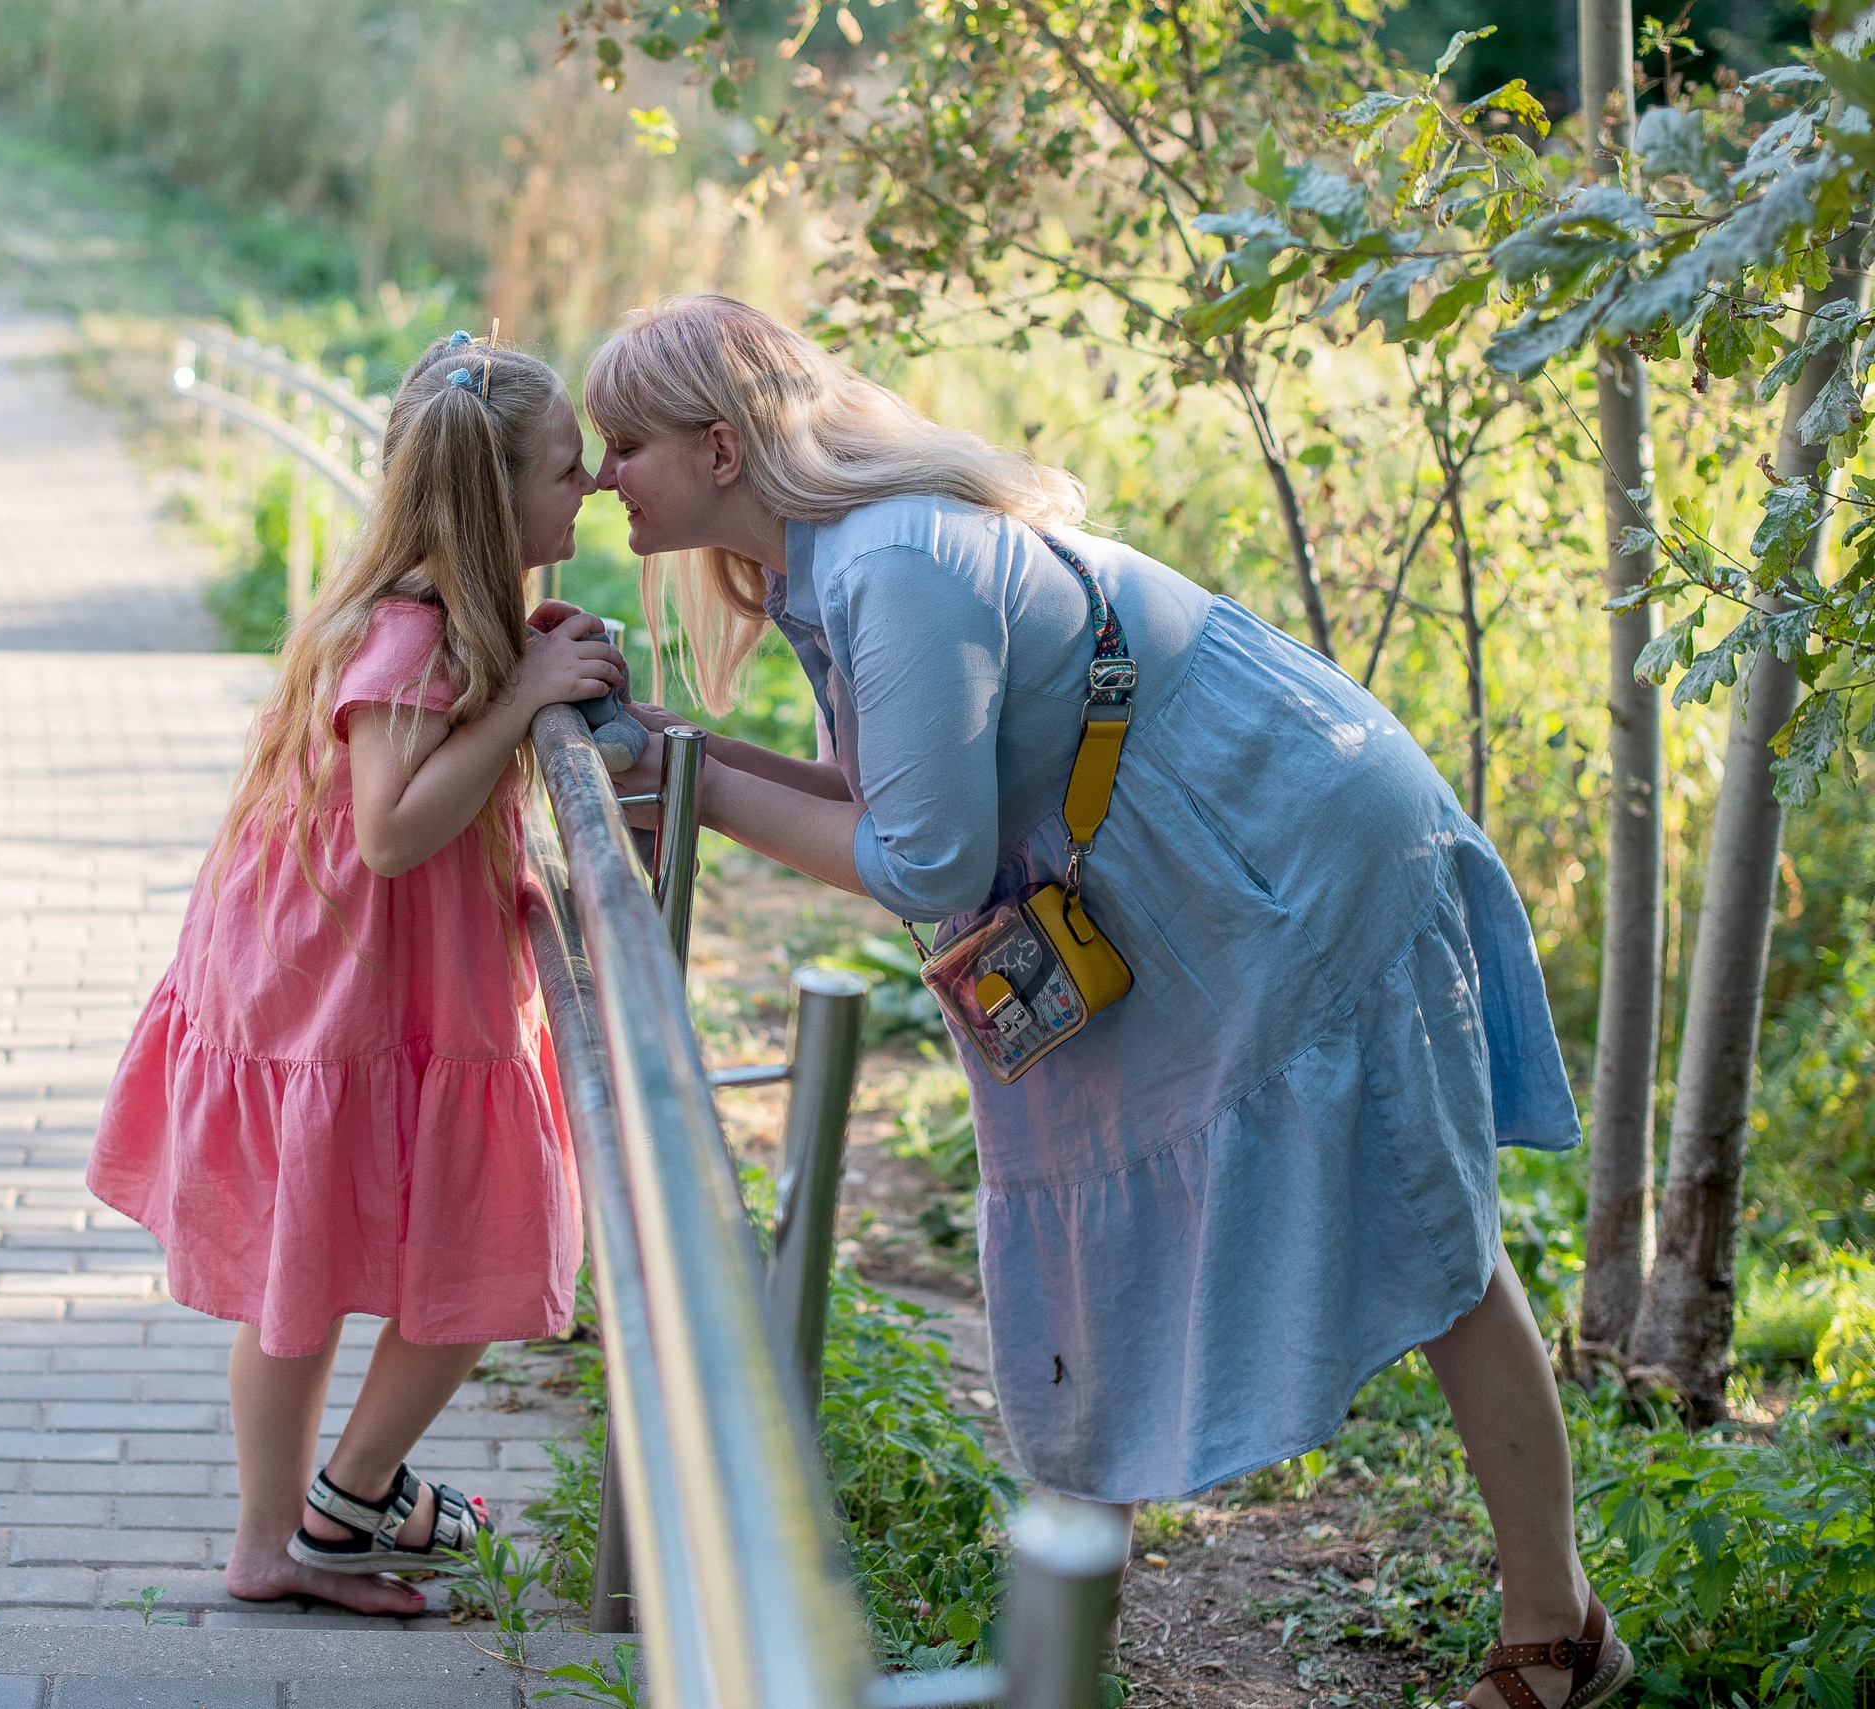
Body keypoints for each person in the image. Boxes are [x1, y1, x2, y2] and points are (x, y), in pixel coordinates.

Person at [585, 295, 1631, 1709]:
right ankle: (1073, 1638)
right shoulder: (818, 571)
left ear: (718, 448)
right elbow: (886, 797)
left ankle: (1556, 1629)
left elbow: (925, 860)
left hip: (1283, 841)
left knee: (1432, 1228)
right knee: (1092, 1215)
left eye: (621, 443)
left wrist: (698, 805)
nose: (600, 476)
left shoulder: (895, 563)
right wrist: (693, 755)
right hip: (1159, 859)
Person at [88, 333, 616, 1614]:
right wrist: (524, 694)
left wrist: (523, 665)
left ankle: (294, 1528)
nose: (590, 488)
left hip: (337, 970)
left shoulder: (430, 617)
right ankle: (339, 1504)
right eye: (566, 468)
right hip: (339, 987)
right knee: (482, 1240)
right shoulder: (409, 636)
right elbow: (387, 829)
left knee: (302, 1273)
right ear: (496, 504)